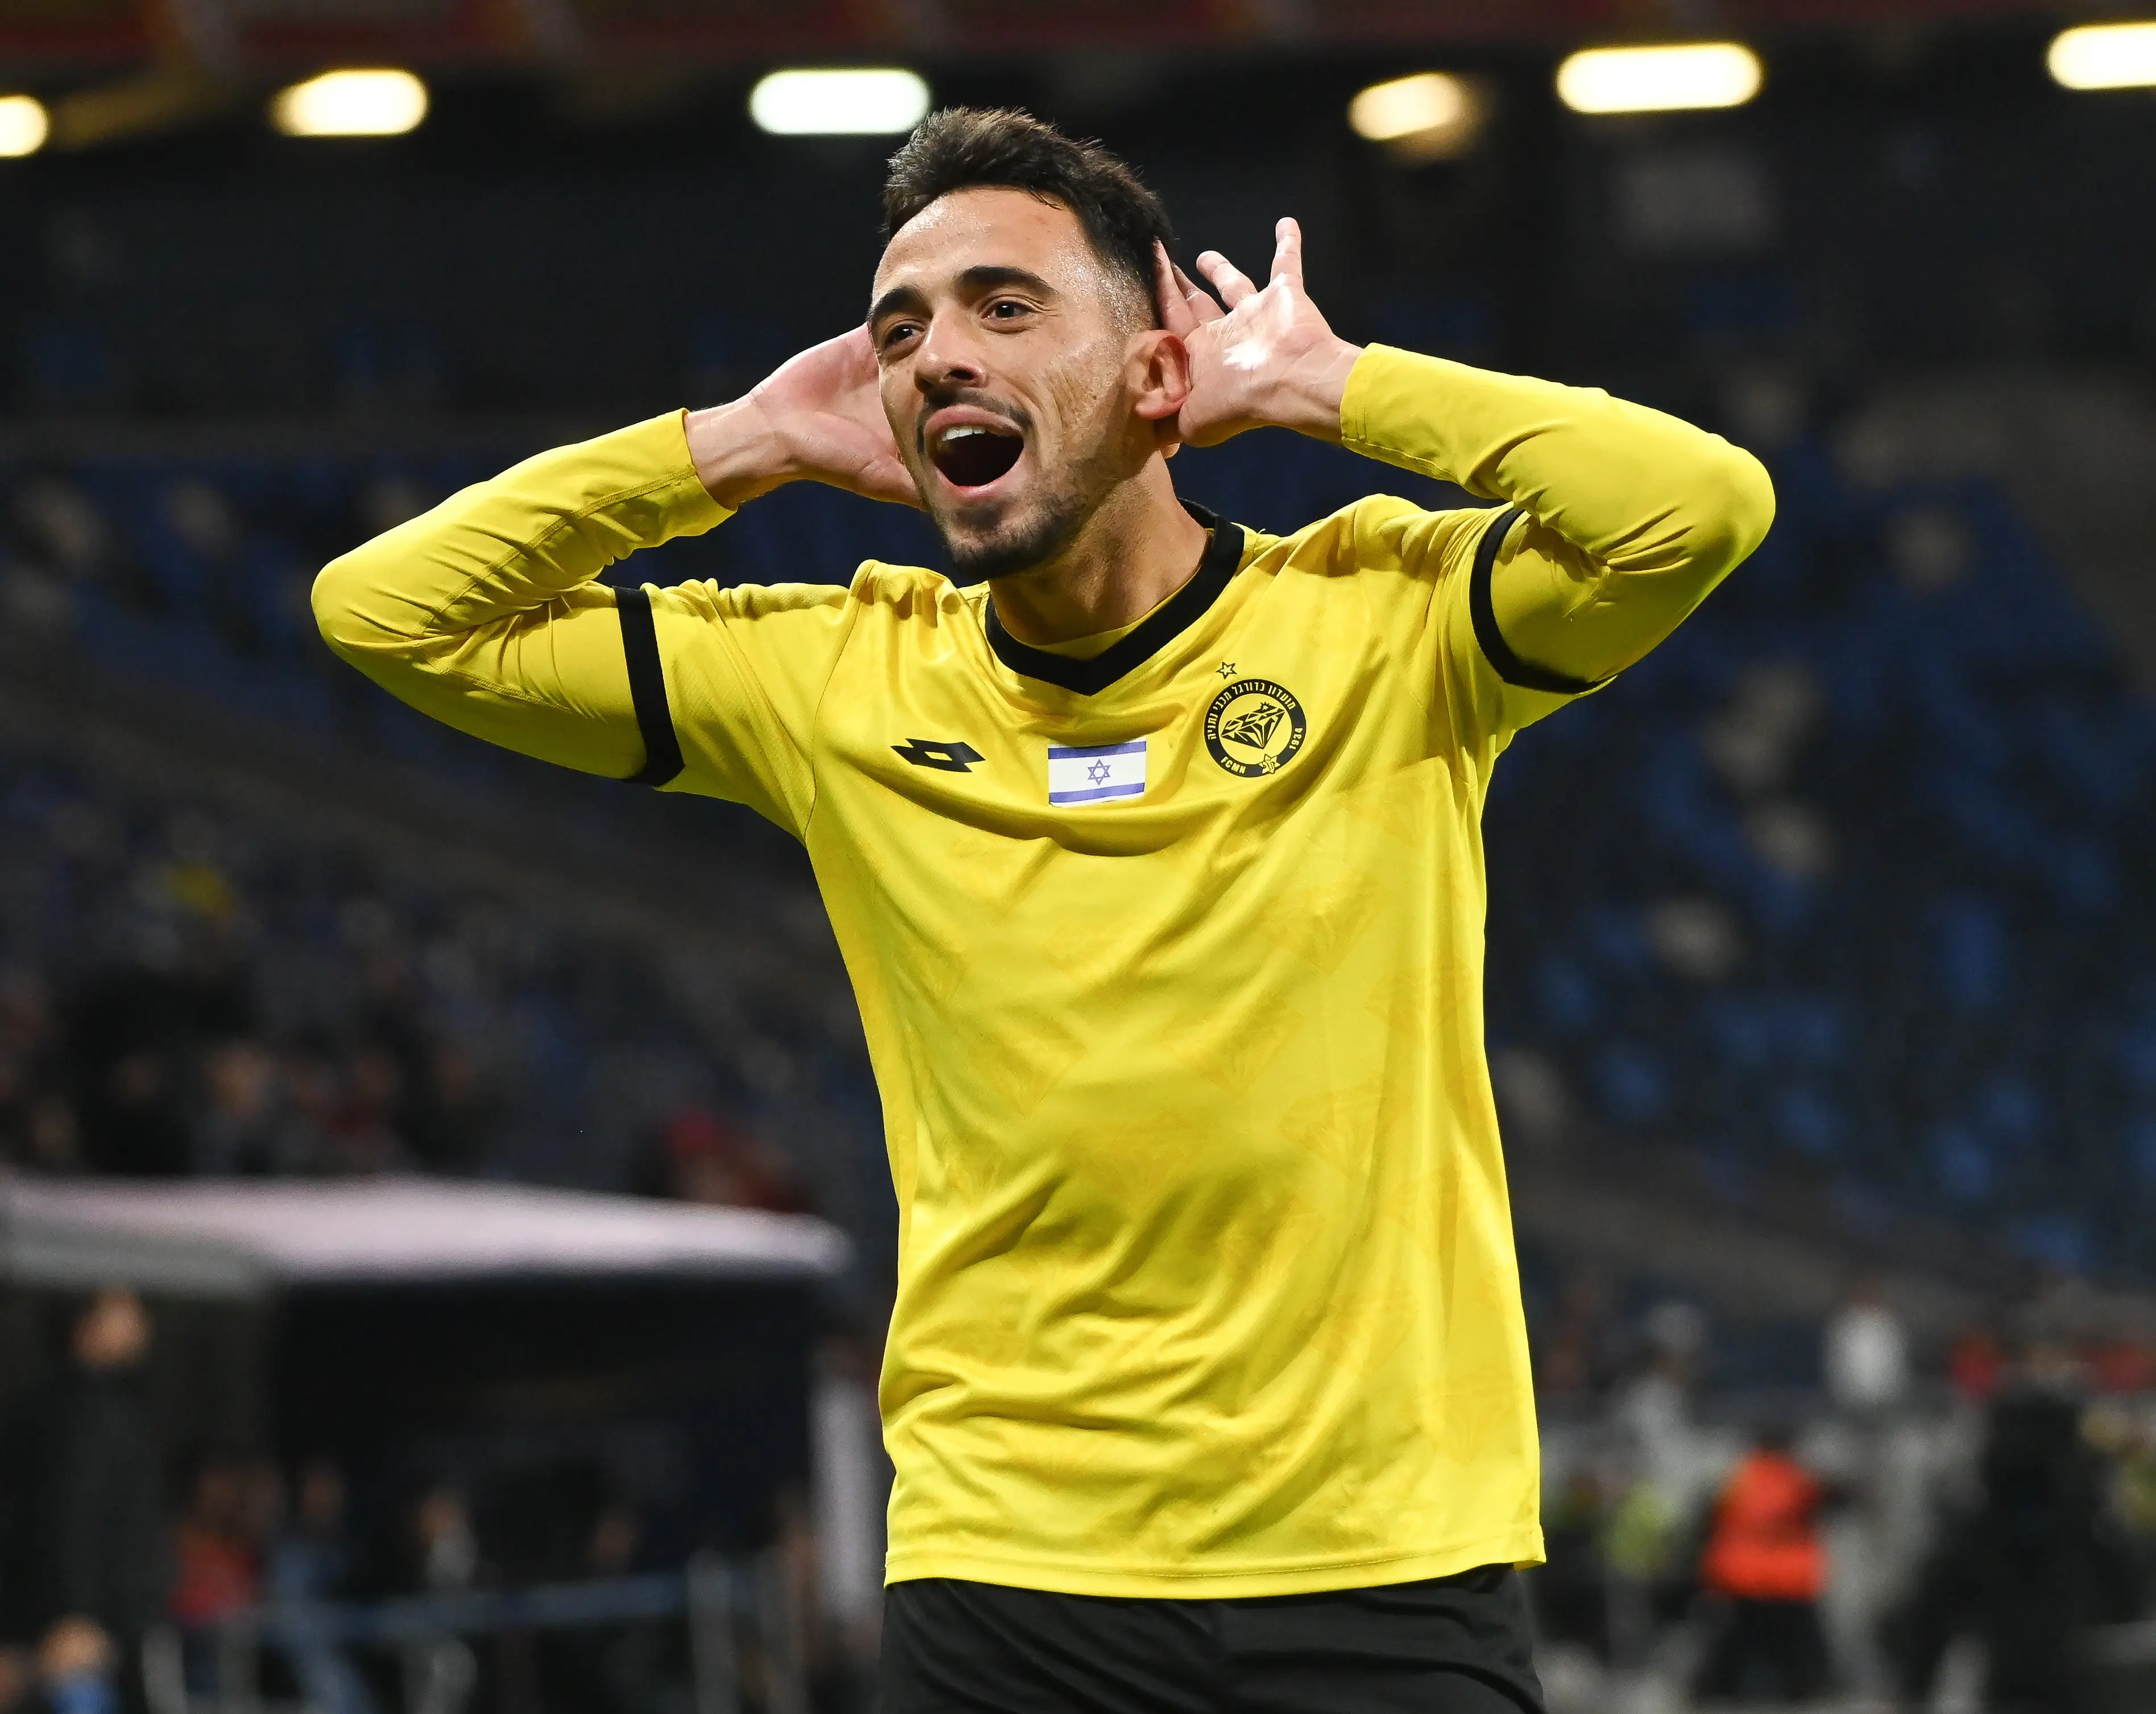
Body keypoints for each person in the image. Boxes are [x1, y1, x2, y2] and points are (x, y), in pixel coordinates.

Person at [313, 107, 1773, 1713]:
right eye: (900, 330)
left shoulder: (1386, 621)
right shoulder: (835, 676)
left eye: (1006, 307)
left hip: (1378, 1566)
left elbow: (1695, 507)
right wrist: (735, 442)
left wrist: (1333, 384)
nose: (939, 353)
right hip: (1012, 1579)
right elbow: (389, 615)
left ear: (1157, 365)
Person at [1693, 1424, 1833, 1704]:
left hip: (1740, 1576)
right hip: (1789, 1578)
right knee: (1795, 1647)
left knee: (1735, 1643)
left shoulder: (1737, 1477)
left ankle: (1716, 1693)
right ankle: (1803, 1692)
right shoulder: (1797, 1478)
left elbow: (1707, 1518)